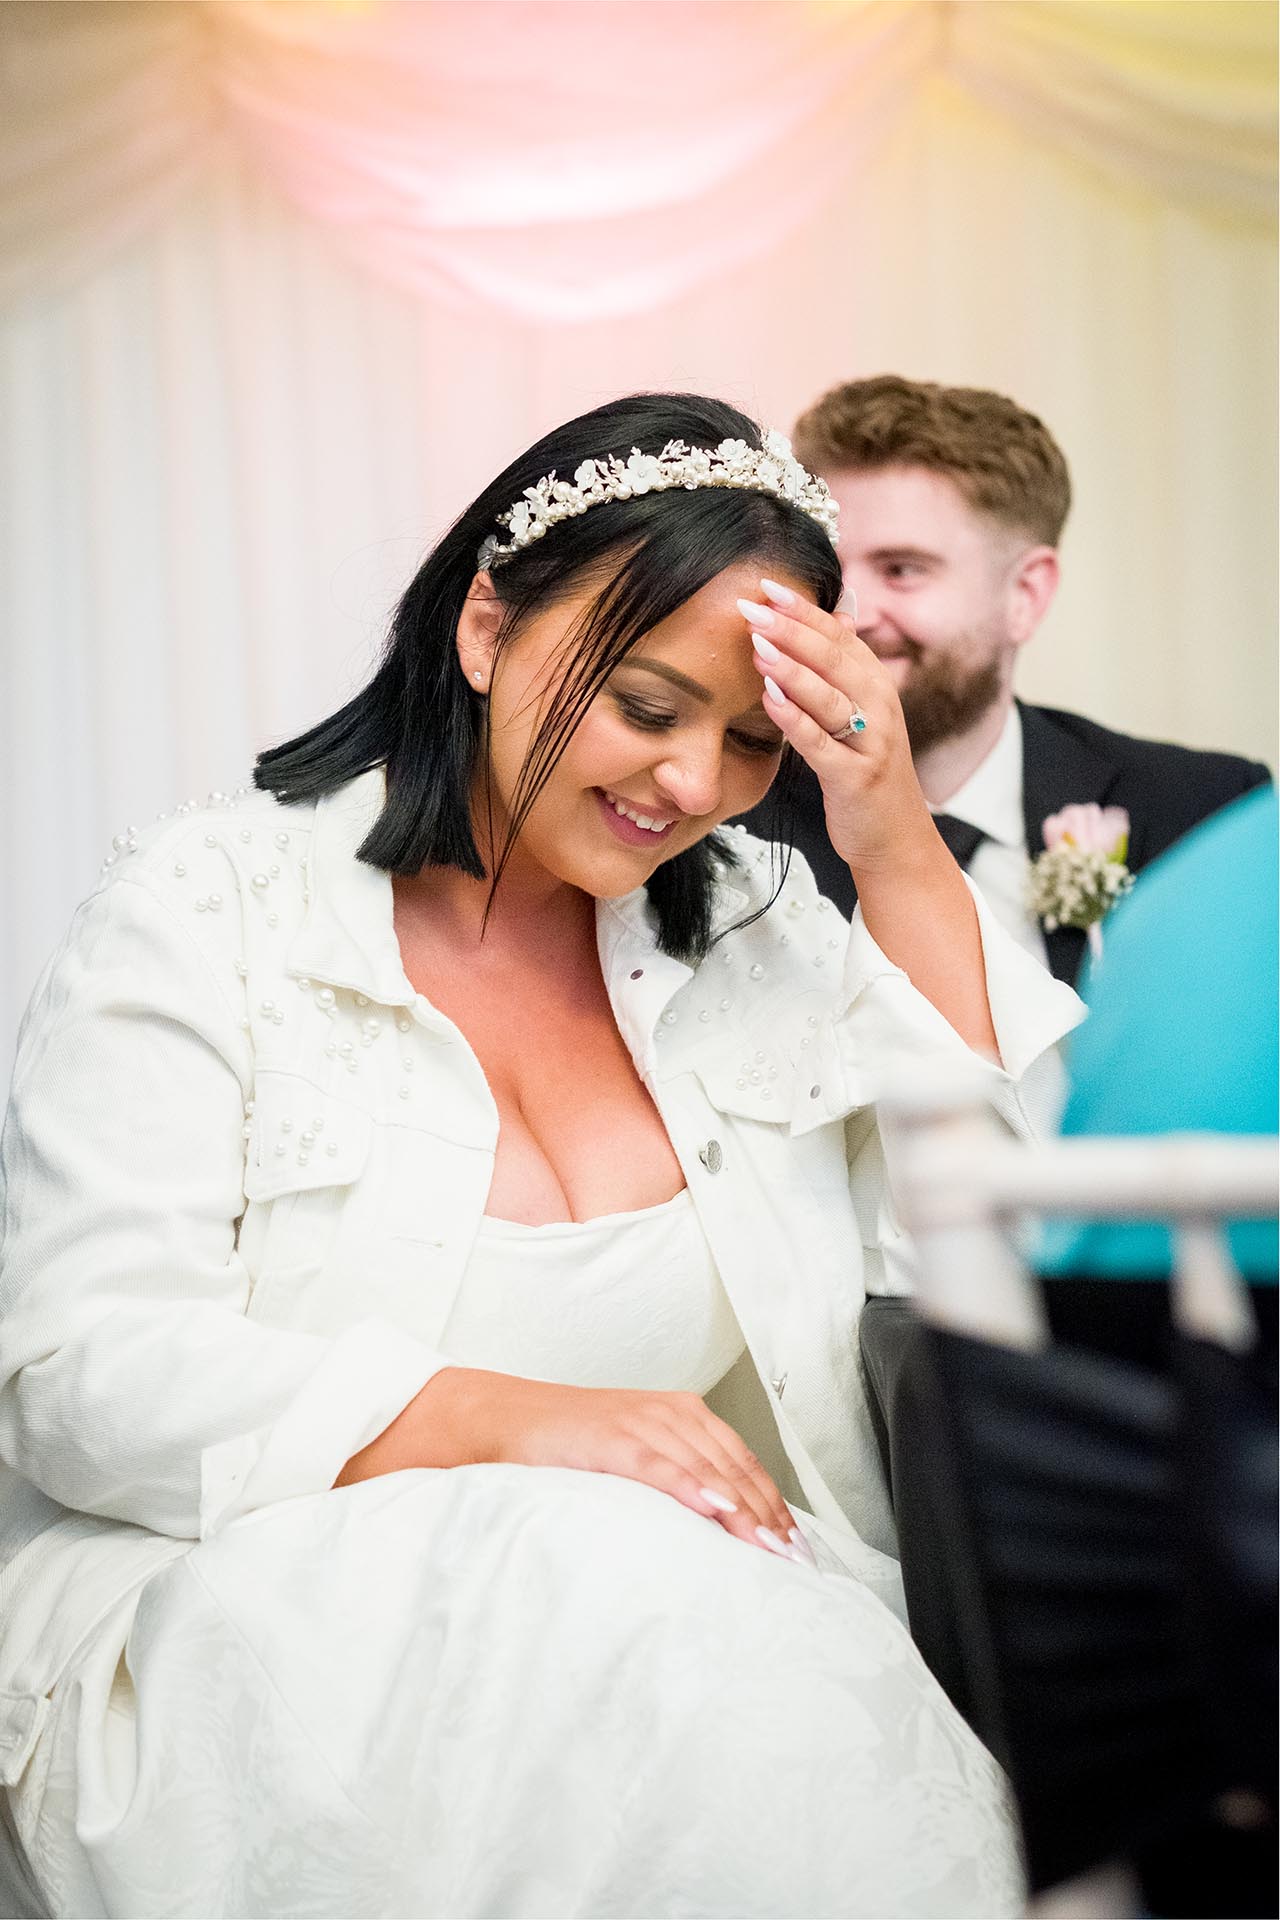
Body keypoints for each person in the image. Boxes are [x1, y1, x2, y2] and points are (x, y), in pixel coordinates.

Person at [0, 393, 1080, 1920]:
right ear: (488, 625)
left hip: (687, 1670)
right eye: (647, 707)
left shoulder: (761, 926)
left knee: (691, 1668)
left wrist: (889, 828)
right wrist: (503, 1420)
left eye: (754, 742)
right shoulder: (209, 912)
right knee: (597, 1587)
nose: (694, 784)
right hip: (232, 1638)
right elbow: (72, 1371)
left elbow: (981, 1248)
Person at [739, 374, 1270, 986]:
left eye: (902, 570)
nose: (848, 613)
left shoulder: (1207, 815)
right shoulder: (730, 818)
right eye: (825, 565)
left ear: (1025, 594)